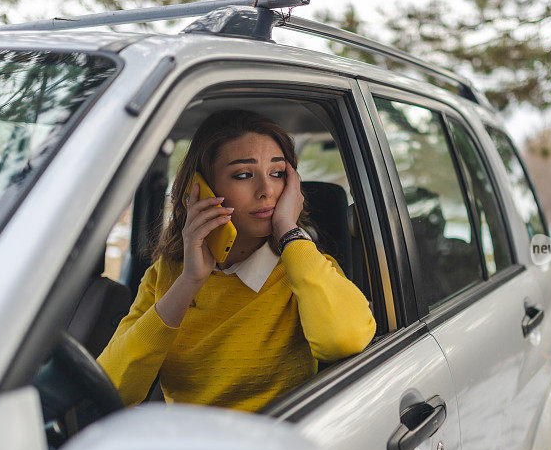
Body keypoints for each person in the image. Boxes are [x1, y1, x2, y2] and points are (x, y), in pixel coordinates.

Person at [97, 109, 376, 412]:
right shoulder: (165, 275)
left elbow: (344, 340)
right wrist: (189, 282)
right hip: (184, 449)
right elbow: (112, 388)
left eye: (278, 174)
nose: (266, 191)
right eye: (243, 175)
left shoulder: (307, 267)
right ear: (200, 188)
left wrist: (289, 232)